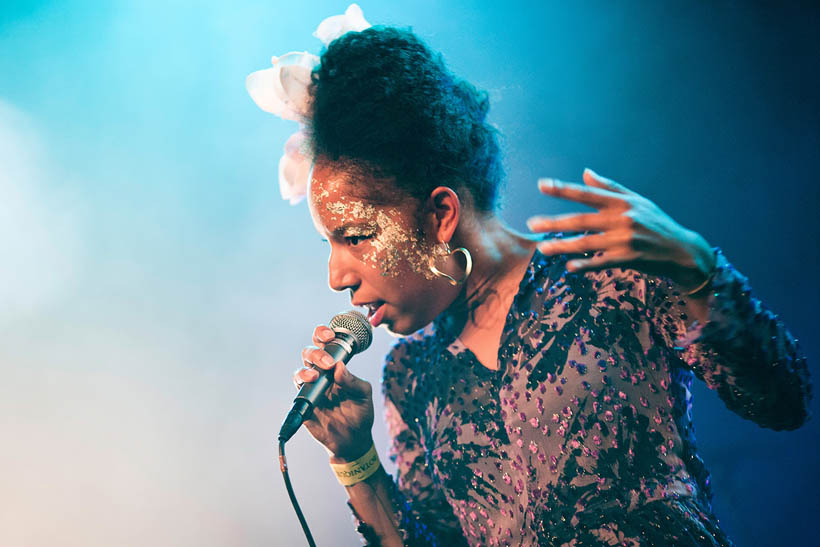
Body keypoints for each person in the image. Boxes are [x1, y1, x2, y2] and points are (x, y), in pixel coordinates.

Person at [250, 12, 810, 547]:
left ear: (441, 214)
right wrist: (356, 460)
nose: (335, 277)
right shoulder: (409, 377)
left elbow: (783, 402)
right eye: (329, 244)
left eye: (355, 236)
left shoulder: (605, 276)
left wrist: (697, 269)